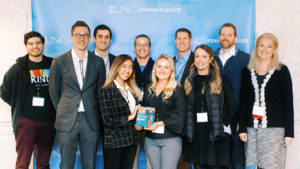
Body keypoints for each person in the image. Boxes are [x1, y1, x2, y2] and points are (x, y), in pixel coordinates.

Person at [48, 21, 106, 169]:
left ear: (90, 38)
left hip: (90, 120)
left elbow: (100, 91)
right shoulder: (59, 61)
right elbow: (53, 92)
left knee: (89, 164)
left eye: (85, 35)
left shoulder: (98, 62)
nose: (82, 38)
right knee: (66, 164)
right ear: (71, 37)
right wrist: (64, 109)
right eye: (78, 35)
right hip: (67, 120)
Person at [0, 31, 55, 169]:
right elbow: (4, 91)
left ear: (43, 45)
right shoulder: (18, 68)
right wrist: (19, 104)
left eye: (38, 43)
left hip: (48, 122)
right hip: (26, 122)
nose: (35, 46)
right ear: (26, 46)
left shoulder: (53, 65)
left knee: (43, 163)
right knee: (23, 163)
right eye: (31, 43)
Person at [239, 33, 294, 169]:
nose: (264, 49)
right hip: (253, 129)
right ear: (256, 48)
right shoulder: (248, 71)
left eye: (269, 46)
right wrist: (243, 128)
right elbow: (243, 102)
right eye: (261, 45)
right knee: (256, 165)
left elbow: (288, 103)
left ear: (274, 49)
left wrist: (289, 133)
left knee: (272, 165)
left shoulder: (282, 71)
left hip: (274, 130)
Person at [183, 44, 235, 169]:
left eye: (204, 56)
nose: (200, 60)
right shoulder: (189, 81)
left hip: (216, 136)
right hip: (196, 136)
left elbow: (231, 105)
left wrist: (222, 125)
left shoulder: (221, 79)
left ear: (211, 59)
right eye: (197, 56)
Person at [214, 23, 250, 169]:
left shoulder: (245, 59)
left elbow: (249, 93)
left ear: (235, 37)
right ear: (219, 37)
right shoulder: (212, 58)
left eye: (229, 35)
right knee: (218, 160)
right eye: (223, 34)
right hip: (215, 117)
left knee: (237, 159)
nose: (225, 38)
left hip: (236, 117)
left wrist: (244, 119)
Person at [142, 54, 186, 169]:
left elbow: (180, 115)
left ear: (171, 70)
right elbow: (145, 110)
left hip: (170, 140)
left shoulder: (177, 89)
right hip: (150, 139)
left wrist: (160, 123)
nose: (162, 70)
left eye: (166, 67)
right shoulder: (149, 89)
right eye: (159, 66)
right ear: (154, 68)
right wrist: (139, 120)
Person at [99, 54, 141, 169]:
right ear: (116, 67)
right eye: (123, 66)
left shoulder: (132, 90)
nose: (127, 70)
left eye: (130, 67)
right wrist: (130, 117)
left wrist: (139, 123)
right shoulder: (106, 90)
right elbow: (107, 120)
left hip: (131, 141)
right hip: (115, 142)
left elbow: (135, 115)